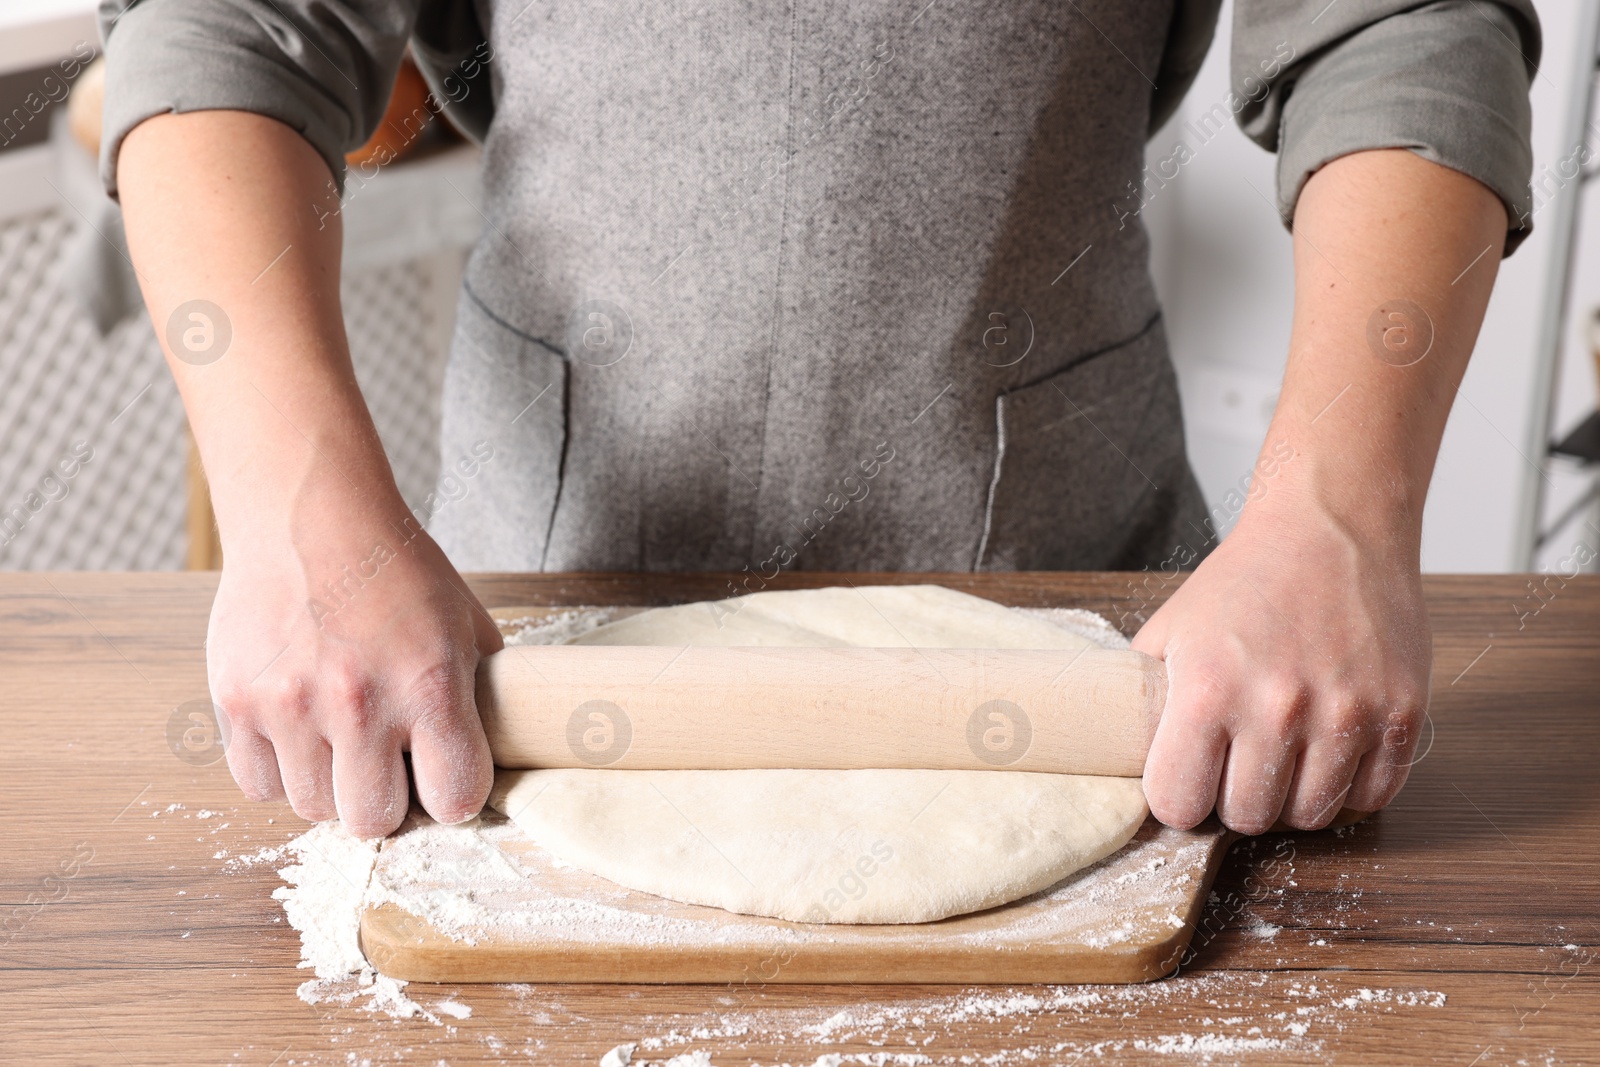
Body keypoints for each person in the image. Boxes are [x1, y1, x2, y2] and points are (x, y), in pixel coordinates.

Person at [100, 0, 1538, 839]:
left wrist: (1338, 521)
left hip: (1095, 632)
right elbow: (225, 27)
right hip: (517, 631)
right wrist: (297, 517)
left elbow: (1402, 28)